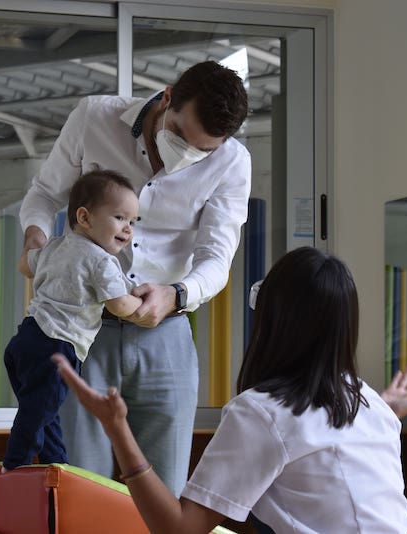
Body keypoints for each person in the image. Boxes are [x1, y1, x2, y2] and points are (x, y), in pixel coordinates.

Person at [54, 247, 407, 534]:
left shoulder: (263, 412)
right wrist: (386, 407)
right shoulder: (365, 401)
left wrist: (117, 428)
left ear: (274, 318)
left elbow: (179, 529)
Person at [19, 60, 251, 495]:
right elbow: (46, 193)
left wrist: (177, 294)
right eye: (180, 135)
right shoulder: (94, 117)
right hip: (77, 328)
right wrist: (34, 234)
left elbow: (217, 257)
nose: (186, 154)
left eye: (202, 150)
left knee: (162, 491)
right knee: (76, 485)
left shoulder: (232, 162)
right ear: (166, 98)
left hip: (166, 333)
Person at [1, 170, 142, 471]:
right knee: (34, 420)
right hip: (57, 348)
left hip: (26, 339)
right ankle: (12, 470)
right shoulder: (102, 261)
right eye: (119, 218)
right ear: (85, 217)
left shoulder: (54, 246)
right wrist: (139, 301)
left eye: (133, 222)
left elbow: (25, 264)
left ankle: (58, 466)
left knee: (45, 413)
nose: (128, 229)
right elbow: (118, 305)